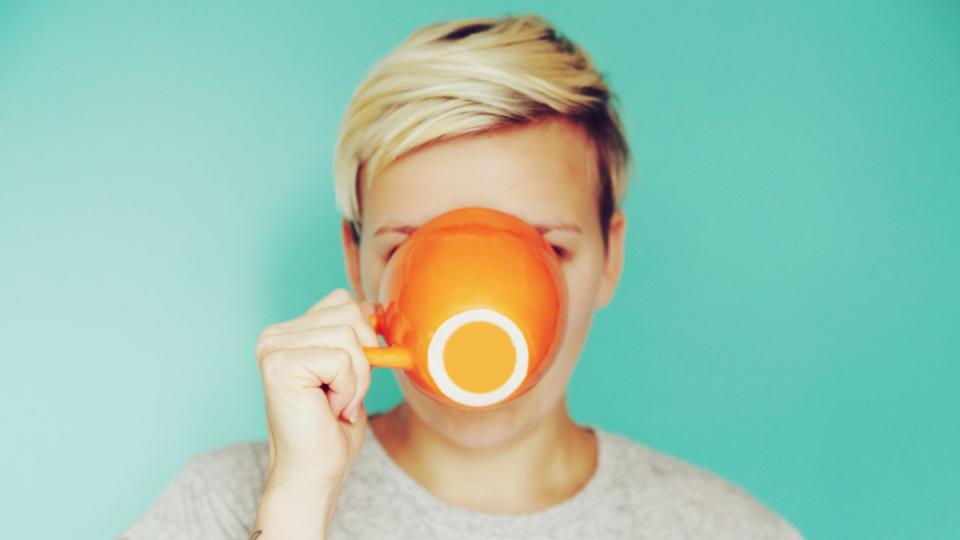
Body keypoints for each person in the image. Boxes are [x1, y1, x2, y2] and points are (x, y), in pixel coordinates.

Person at [118, 13, 804, 540]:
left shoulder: (725, 529)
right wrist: (298, 505)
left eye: (546, 249)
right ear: (358, 264)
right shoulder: (222, 505)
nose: (478, 306)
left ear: (610, 259)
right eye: (413, 249)